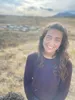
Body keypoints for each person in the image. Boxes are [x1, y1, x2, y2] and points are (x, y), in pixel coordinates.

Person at [24, 22, 72, 100]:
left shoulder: (67, 64)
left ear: (61, 43)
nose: (51, 43)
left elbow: (63, 90)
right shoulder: (32, 58)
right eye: (49, 37)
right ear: (43, 38)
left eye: (57, 40)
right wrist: (31, 98)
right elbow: (27, 82)